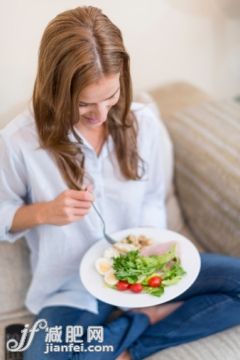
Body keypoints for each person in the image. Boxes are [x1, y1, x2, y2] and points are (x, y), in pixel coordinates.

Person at [0, 6, 239, 360]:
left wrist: (149, 254)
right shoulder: (19, 141)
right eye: (84, 104)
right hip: (72, 289)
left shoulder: (144, 123)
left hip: (146, 271)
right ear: (55, 89)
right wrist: (44, 212)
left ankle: (132, 342)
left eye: (110, 97)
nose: (100, 116)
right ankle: (143, 319)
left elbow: (155, 195)